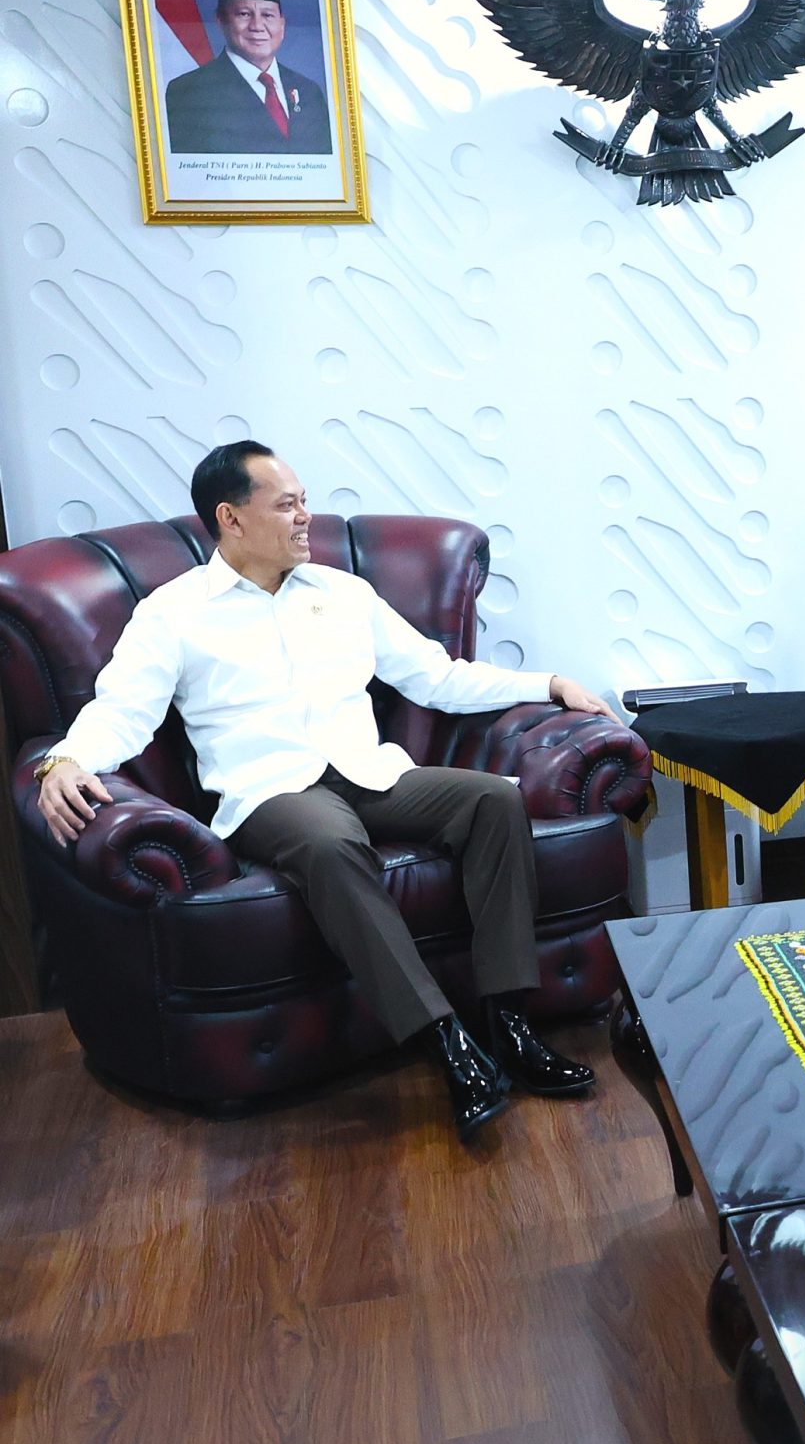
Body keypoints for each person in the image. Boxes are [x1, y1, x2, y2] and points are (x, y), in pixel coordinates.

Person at [33, 442, 612, 1141]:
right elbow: (123, 710)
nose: (306, 516)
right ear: (231, 518)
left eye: (304, 501)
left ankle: (509, 1023)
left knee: (494, 800)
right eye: (287, 505)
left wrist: (548, 683)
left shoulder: (343, 593)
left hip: (369, 772)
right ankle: (445, 1043)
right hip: (269, 791)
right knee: (331, 844)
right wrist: (65, 759)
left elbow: (437, 676)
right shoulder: (174, 613)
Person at [161, 0, 333, 156]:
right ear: (221, 21)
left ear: (282, 24)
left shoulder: (309, 92)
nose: (257, 26)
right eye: (244, 14)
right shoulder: (189, 93)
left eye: (267, 15)